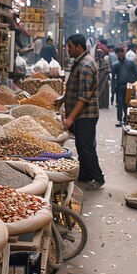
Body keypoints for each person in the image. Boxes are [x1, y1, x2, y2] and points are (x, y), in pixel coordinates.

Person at [56, 34, 105, 190]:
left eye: (69, 47)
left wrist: (70, 118)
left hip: (85, 115)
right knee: (81, 145)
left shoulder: (86, 65)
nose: (67, 49)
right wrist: (63, 99)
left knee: (86, 146)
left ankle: (98, 178)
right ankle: (85, 175)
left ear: (78, 47)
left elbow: (83, 97)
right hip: (81, 115)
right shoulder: (80, 62)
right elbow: (75, 88)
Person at [111, 47, 137, 127]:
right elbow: (113, 78)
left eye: (121, 52)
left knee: (127, 103)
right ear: (116, 54)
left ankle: (126, 119)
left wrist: (133, 83)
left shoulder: (130, 63)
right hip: (119, 86)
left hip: (129, 86)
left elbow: (135, 74)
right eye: (118, 53)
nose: (119, 54)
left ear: (124, 53)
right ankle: (119, 120)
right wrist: (113, 90)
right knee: (119, 103)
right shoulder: (115, 65)